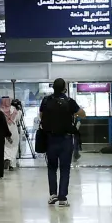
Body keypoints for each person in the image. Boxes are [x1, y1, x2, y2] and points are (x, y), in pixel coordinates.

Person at [40, 79, 83, 207]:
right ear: (64, 88)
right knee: (65, 169)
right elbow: (83, 114)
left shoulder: (46, 101)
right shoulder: (69, 101)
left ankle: (53, 195)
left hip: (50, 139)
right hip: (65, 139)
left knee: (52, 167)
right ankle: (63, 198)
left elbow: (41, 115)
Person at [0, 96, 20, 168]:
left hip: (3, 130)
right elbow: (18, 119)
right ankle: (12, 164)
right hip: (13, 130)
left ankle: (6, 158)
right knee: (14, 146)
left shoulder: (0, 110)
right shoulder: (14, 109)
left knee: (5, 146)